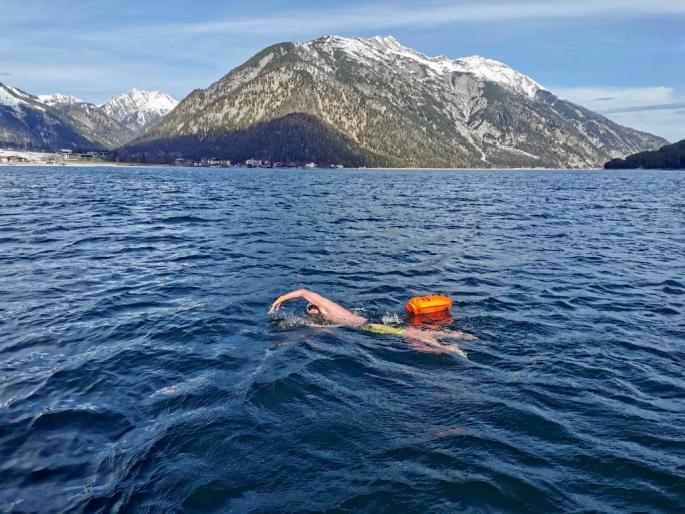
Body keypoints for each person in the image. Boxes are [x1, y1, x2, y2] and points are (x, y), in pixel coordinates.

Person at [268, 289, 474, 357]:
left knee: (409, 335)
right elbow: (318, 331)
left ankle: (451, 347)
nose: (311, 310)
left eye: (311, 308)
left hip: (369, 326)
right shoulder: (325, 317)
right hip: (369, 323)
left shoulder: (324, 307)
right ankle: (457, 336)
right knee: (405, 331)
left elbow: (304, 292)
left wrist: (280, 300)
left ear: (314, 308)